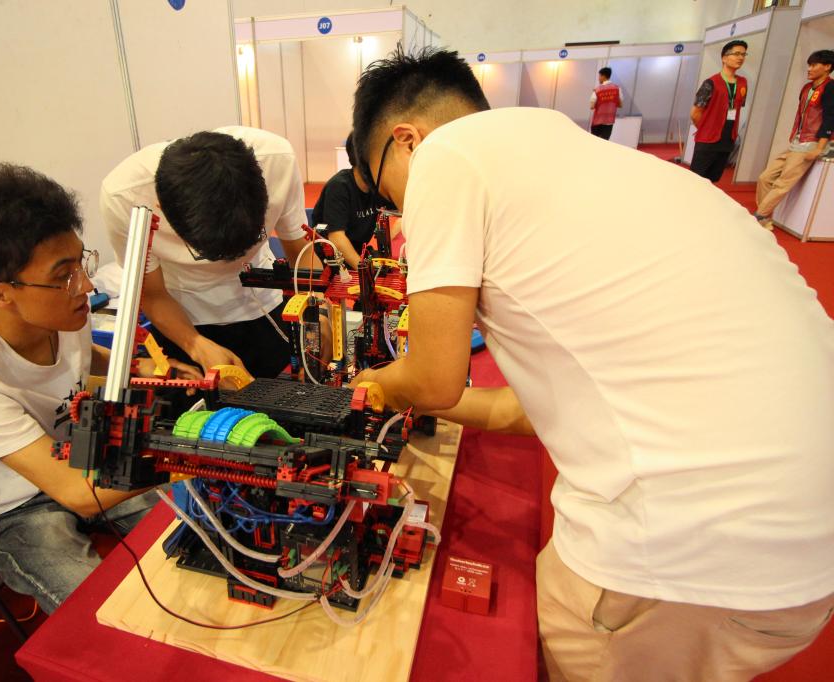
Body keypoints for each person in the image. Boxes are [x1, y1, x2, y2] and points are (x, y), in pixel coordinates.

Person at [351, 47, 834, 681]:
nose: (398, 212)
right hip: (800, 545)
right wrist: (421, 399)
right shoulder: (594, 163)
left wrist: (374, 385)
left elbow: (434, 377)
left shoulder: (446, 157)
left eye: (387, 192)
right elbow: (534, 406)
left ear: (406, 140)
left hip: (692, 551)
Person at [0, 162, 200, 613]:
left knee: (197, 527)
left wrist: (143, 367)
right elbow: (78, 494)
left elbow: (84, 357)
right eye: (63, 275)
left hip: (81, 458)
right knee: (101, 609)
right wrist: (194, 456)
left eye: (81, 262)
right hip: (10, 508)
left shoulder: (62, 312)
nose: (86, 286)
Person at [101, 127, 318, 379]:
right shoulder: (124, 197)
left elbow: (302, 252)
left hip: (264, 307)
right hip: (182, 320)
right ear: (162, 209)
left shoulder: (276, 161)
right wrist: (196, 345)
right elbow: (152, 294)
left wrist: (317, 315)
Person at [754, 49, 834, 229]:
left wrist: (819, 147)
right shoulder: (807, 88)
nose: (809, 69)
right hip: (797, 141)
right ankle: (764, 216)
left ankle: (759, 216)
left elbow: (830, 118)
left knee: (783, 183)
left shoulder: (830, 88)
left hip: (811, 143)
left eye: (814, 65)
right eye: (809, 65)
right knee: (765, 177)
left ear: (827, 67)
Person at [313, 133, 397, 269]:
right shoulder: (339, 187)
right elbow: (337, 237)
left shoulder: (376, 186)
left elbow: (404, 207)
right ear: (363, 160)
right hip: (330, 264)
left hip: (358, 256)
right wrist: (365, 272)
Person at [689, 40, 749, 183]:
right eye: (736, 54)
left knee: (713, 179)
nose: (740, 57)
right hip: (707, 140)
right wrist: (706, 129)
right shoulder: (711, 83)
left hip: (727, 140)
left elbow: (738, 107)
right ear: (724, 58)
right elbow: (695, 113)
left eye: (743, 54)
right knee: (696, 180)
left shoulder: (743, 83)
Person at [589, 67, 622, 140]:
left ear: (603, 76)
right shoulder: (617, 89)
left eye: (599, 76)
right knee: (604, 143)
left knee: (594, 142)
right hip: (609, 122)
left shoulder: (597, 90)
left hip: (597, 121)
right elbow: (620, 105)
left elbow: (592, 106)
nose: (599, 78)